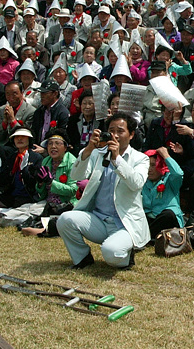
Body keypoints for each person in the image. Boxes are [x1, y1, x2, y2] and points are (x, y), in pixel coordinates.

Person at [59, 114, 150, 268]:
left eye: (120, 131)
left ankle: (127, 256)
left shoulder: (140, 158)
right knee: (65, 219)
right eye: (111, 131)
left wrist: (117, 159)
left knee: (110, 253)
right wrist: (88, 150)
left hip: (124, 223)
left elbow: (136, 183)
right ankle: (82, 258)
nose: (114, 135)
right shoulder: (97, 153)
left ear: (132, 134)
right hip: (99, 219)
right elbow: (76, 175)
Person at [143, 146, 184, 236]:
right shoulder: (142, 181)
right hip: (150, 219)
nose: (149, 169)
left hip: (166, 220)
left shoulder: (170, 179)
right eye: (147, 165)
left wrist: (165, 155)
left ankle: (146, 236)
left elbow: (178, 173)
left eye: (153, 165)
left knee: (168, 215)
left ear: (161, 165)